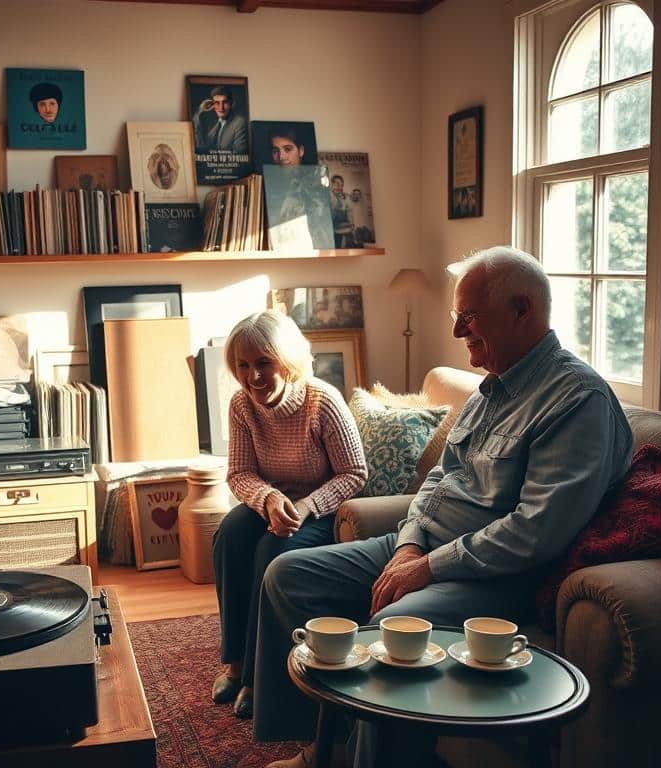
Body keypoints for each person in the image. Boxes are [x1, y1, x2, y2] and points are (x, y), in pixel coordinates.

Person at [256, 246, 633, 768]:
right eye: (458, 318)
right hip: (422, 547)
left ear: (523, 310)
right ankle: (325, 748)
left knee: (397, 631)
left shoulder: (576, 401)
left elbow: (534, 532)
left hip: (491, 577)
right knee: (288, 575)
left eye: (468, 317)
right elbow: (439, 478)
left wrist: (427, 567)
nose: (458, 332)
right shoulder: (490, 388)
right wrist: (409, 542)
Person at [212, 311, 367, 721]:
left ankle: (257, 678)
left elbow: (355, 474)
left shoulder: (322, 401)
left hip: (320, 509)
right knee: (229, 533)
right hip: (272, 503)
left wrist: (305, 506)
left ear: (286, 359)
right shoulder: (242, 405)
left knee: (272, 548)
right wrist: (266, 499)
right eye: (243, 366)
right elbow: (240, 473)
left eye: (263, 363)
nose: (253, 377)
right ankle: (235, 662)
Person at [193, 86, 247, 153]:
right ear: (212, 105)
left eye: (225, 102)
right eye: (217, 103)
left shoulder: (239, 122)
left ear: (231, 103)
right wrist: (199, 110)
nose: (221, 108)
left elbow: (240, 154)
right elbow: (201, 147)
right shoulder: (213, 126)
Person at [329, 174, 355, 247]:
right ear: (331, 185)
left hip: (343, 229)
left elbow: (350, 214)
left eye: (341, 185)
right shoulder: (327, 197)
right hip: (330, 230)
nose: (339, 187)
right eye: (337, 184)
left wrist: (351, 225)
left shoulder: (346, 198)